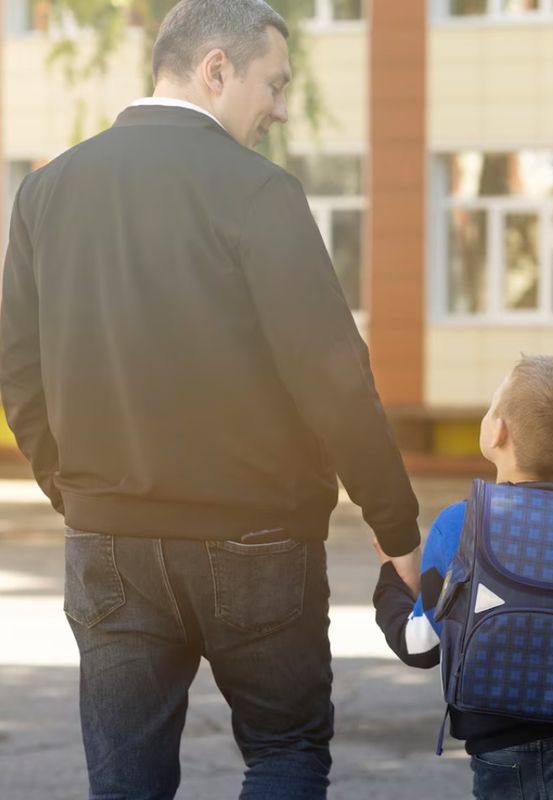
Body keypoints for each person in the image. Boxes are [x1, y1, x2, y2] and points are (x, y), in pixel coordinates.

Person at [0, 1, 421, 797]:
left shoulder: (46, 190)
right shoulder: (258, 190)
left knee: (125, 783)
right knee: (286, 751)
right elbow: (333, 377)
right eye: (275, 83)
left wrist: (79, 493)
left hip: (108, 540)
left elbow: (19, 371)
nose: (282, 108)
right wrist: (397, 529)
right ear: (215, 69)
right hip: (257, 537)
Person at [373, 355, 553, 800]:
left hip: (499, 746)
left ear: (498, 431)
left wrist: (390, 582)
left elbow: (420, 645)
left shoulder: (461, 523)